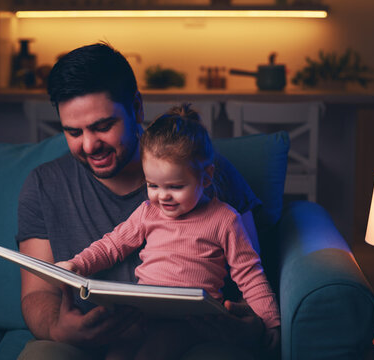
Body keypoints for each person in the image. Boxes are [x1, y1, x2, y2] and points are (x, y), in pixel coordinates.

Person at [16, 41, 277, 360]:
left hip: (196, 332)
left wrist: (261, 328)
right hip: (89, 338)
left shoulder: (207, 172)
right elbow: (39, 291)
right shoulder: (45, 184)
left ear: (137, 107)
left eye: (103, 126)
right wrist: (58, 328)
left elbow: (252, 271)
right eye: (73, 132)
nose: (89, 145)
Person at [55, 104, 280, 359]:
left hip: (192, 319)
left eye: (175, 186)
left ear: (206, 178)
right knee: (116, 353)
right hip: (145, 311)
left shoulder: (224, 219)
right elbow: (112, 246)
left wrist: (270, 321)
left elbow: (250, 273)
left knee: (154, 350)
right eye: (153, 185)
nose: (163, 197)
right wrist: (77, 265)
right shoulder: (148, 211)